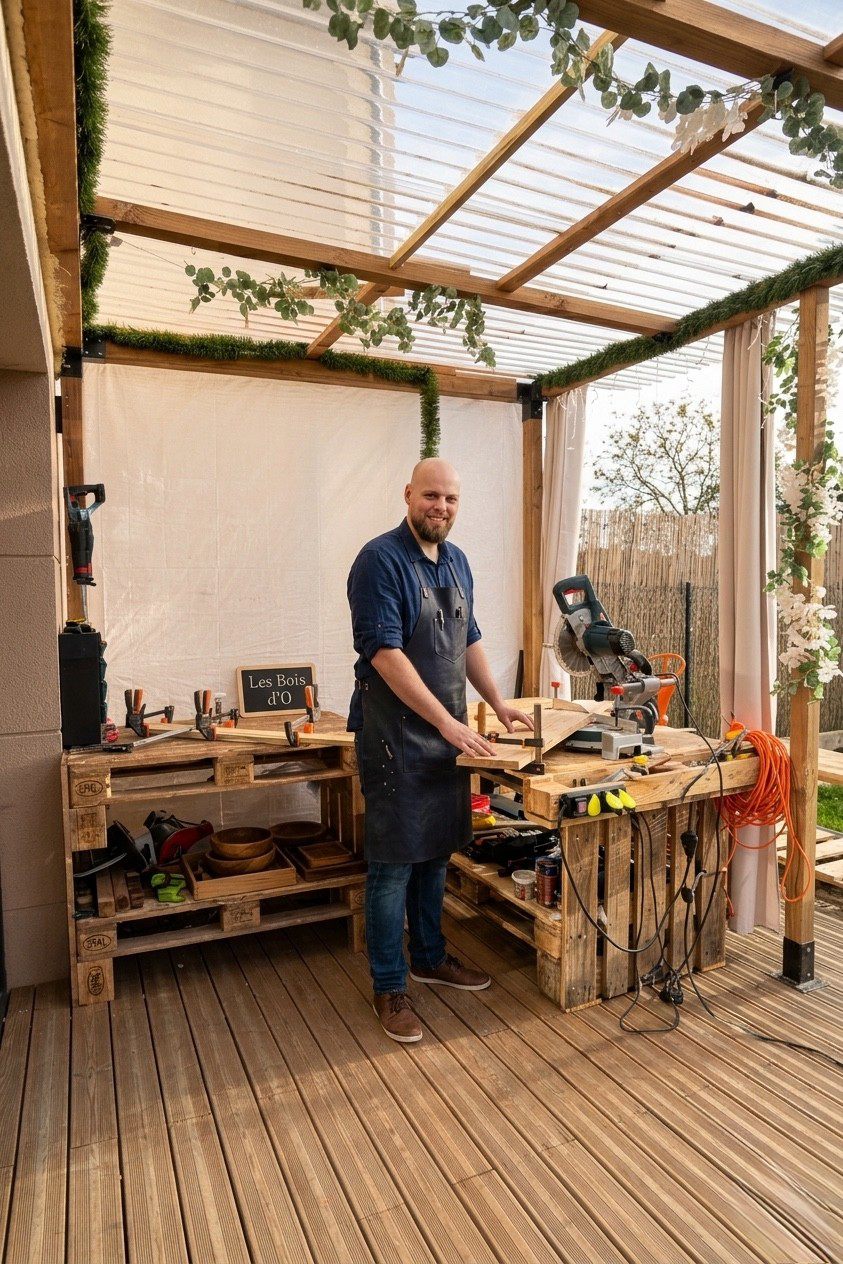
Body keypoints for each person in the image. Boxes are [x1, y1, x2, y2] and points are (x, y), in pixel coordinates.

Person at [347, 458, 533, 1043]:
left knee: (435, 854)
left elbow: (468, 637)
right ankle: (389, 984)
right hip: (394, 736)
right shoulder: (379, 561)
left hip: (446, 736)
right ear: (408, 494)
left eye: (451, 499)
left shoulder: (457, 562)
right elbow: (386, 655)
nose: (441, 507)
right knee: (393, 863)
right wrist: (448, 726)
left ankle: (430, 957)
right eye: (432, 496)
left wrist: (498, 705)